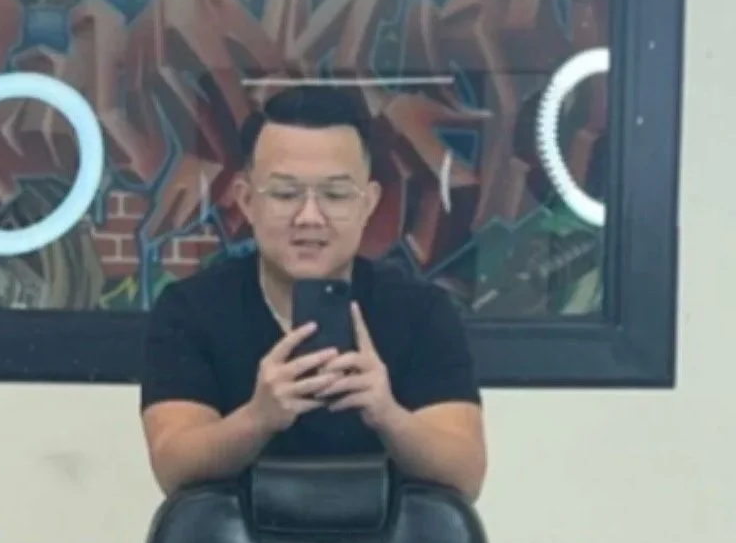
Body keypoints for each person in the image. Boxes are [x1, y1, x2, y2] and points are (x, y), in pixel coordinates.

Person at [140, 85, 487, 503]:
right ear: (247, 201)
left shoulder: (421, 312)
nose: (309, 217)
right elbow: (173, 465)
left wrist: (388, 415)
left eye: (335, 195)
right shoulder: (191, 310)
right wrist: (258, 417)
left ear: (368, 203)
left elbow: (465, 473)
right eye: (286, 194)